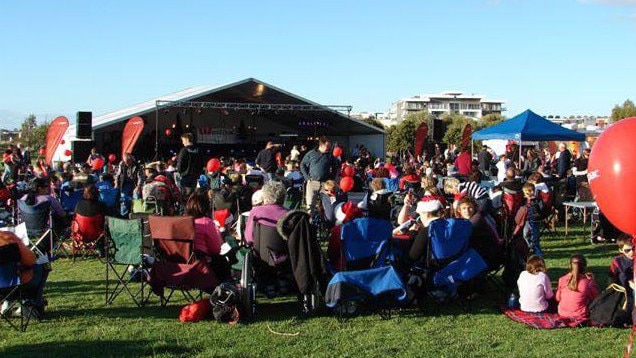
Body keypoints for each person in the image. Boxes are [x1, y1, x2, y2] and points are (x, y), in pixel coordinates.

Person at [0, 231, 49, 318]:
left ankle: (7, 304)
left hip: (3, 290)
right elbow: (30, 260)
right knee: (42, 267)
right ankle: (32, 307)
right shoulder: (8, 237)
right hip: (16, 287)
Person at [184, 189, 229, 281]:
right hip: (201, 265)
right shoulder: (206, 222)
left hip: (182, 262)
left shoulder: (182, 222)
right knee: (221, 260)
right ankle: (227, 286)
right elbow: (216, 249)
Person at [455, 196, 502, 270]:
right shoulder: (468, 220)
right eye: (464, 208)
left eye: (470, 208)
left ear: (475, 208)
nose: (467, 211)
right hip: (479, 255)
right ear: (459, 210)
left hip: (487, 258)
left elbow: (463, 235)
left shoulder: (477, 219)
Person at [556, 254, 600, 320]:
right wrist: (593, 281)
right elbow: (597, 298)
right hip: (580, 314)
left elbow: (558, 298)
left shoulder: (562, 279)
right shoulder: (588, 282)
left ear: (570, 266)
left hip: (562, 313)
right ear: (584, 267)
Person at [300, 136, 337, 208]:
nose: (329, 147)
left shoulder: (330, 155)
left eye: (329, 146)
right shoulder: (311, 153)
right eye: (327, 146)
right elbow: (302, 164)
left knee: (329, 203)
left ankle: (327, 217)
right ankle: (310, 218)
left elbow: (335, 167)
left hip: (325, 183)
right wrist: (307, 177)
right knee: (310, 205)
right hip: (312, 182)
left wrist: (331, 179)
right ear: (321, 145)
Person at [521, 183, 544, 257]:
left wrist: (533, 201)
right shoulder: (523, 200)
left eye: (527, 192)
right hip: (526, 220)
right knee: (525, 234)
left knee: (535, 236)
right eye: (525, 193)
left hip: (535, 220)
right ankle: (528, 247)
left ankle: (537, 251)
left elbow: (540, 209)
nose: (526, 194)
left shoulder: (537, 200)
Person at [176, 133, 202, 198]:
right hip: (194, 178)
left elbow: (180, 164)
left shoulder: (184, 150)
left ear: (187, 139)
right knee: (193, 197)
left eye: (183, 140)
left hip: (185, 177)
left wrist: (181, 173)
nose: (182, 143)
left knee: (185, 197)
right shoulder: (198, 151)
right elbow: (201, 164)